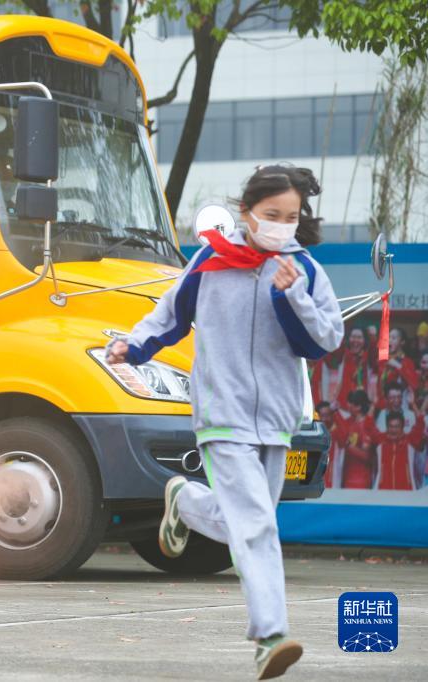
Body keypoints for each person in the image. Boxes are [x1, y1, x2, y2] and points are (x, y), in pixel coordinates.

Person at [107, 165, 343, 679]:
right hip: (222, 415)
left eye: (291, 217)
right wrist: (134, 345)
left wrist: (294, 297)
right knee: (256, 524)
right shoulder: (211, 260)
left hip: (275, 421)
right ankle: (270, 635)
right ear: (247, 211)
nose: (281, 225)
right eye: (272, 214)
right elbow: (170, 315)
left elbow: (324, 340)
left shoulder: (303, 269)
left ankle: (185, 501)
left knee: (241, 519)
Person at [372, 402, 425, 491]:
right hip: (382, 491)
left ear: (402, 427)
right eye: (391, 426)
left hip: (407, 491)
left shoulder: (410, 440)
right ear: (387, 427)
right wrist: (373, 405)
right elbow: (368, 425)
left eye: (397, 427)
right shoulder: (381, 440)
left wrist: (413, 405)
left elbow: (420, 422)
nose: (393, 430)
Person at [336, 389, 376, 489]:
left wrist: (348, 446)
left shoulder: (367, 425)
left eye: (351, 404)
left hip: (361, 481)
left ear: (358, 407)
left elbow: (366, 456)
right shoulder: (351, 423)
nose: (348, 406)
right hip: (347, 478)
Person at [378, 327, 417, 407]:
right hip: (383, 405)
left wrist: (397, 366)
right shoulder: (383, 361)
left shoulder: (407, 362)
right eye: (388, 338)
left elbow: (414, 384)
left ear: (402, 342)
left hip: (401, 404)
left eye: (393, 338)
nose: (389, 340)